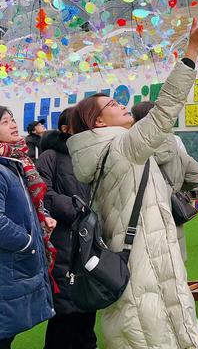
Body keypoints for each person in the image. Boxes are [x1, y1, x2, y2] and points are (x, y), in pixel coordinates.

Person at [67, 16, 198, 349]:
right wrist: (192, 51)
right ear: (98, 121)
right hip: (147, 270)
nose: (121, 104)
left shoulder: (104, 153)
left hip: (136, 266)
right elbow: (163, 112)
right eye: (112, 105)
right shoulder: (121, 147)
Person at [36, 108, 97, 349]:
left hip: (91, 238)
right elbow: (42, 192)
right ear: (65, 129)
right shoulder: (50, 156)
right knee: (65, 307)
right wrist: (78, 210)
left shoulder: (94, 153)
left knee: (88, 301)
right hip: (63, 239)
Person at [0, 106, 56, 348]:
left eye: (12, 120)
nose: (13, 125)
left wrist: (40, 219)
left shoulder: (15, 162)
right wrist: (27, 241)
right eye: (4, 122)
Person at [131, 101, 198, 263]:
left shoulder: (134, 149)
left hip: (144, 219)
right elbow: (195, 174)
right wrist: (173, 188)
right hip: (171, 214)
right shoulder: (174, 143)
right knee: (176, 268)